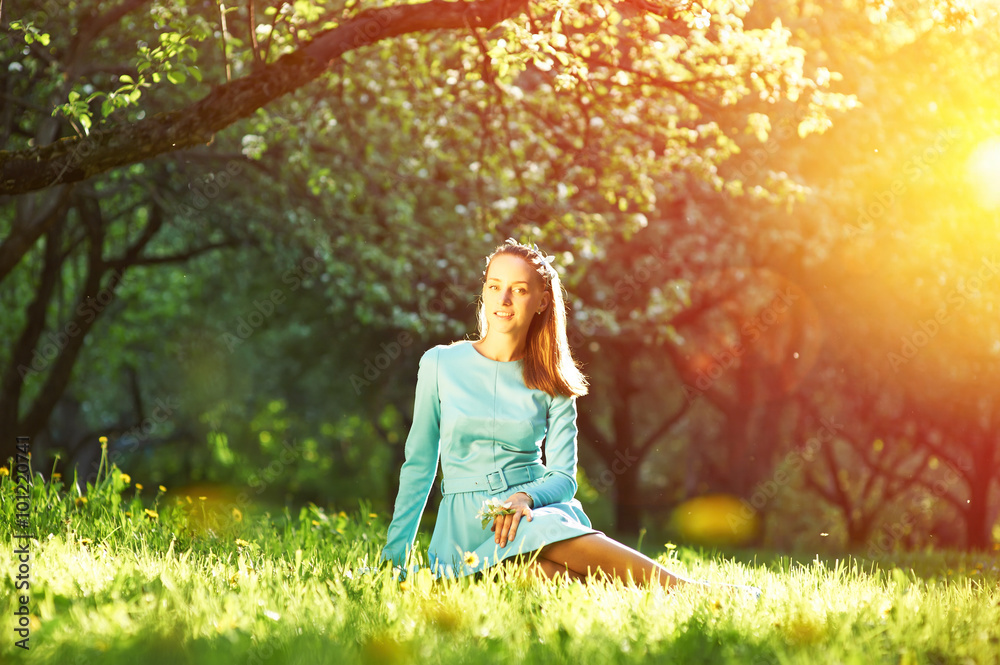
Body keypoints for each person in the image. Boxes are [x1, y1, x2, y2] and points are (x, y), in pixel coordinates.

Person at [378, 238, 756, 594]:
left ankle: (689, 592)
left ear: (541, 301)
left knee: (542, 540)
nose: (504, 299)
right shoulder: (440, 363)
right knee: (542, 576)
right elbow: (420, 464)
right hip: (466, 525)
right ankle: (682, 593)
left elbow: (562, 478)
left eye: (519, 290)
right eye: (494, 286)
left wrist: (525, 497)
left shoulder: (553, 379)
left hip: (533, 512)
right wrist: (392, 561)